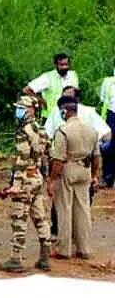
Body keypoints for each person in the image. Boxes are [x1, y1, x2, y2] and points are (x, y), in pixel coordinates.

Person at [0, 92, 52, 274]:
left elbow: (22, 158)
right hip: (37, 177)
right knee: (40, 217)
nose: (18, 111)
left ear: (29, 110)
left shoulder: (24, 131)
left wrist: (16, 184)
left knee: (19, 218)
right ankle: (45, 258)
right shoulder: (41, 129)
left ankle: (16, 258)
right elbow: (47, 154)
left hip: (26, 179)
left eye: (21, 108)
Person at [48, 96, 100, 260]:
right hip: (85, 170)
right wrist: (93, 176)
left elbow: (58, 160)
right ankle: (84, 249)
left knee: (64, 209)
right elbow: (97, 157)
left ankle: (63, 249)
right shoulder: (91, 130)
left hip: (68, 169)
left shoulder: (63, 130)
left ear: (64, 111)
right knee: (83, 209)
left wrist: (52, 180)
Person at [28, 53, 79, 120]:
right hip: (51, 117)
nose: (64, 67)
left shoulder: (73, 75)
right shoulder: (47, 77)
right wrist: (42, 101)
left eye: (66, 64)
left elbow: (77, 94)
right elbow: (27, 89)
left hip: (71, 116)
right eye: (61, 65)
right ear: (56, 65)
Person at [100, 68, 115, 188]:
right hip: (111, 116)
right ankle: (107, 177)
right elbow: (103, 100)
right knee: (109, 147)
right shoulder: (108, 82)